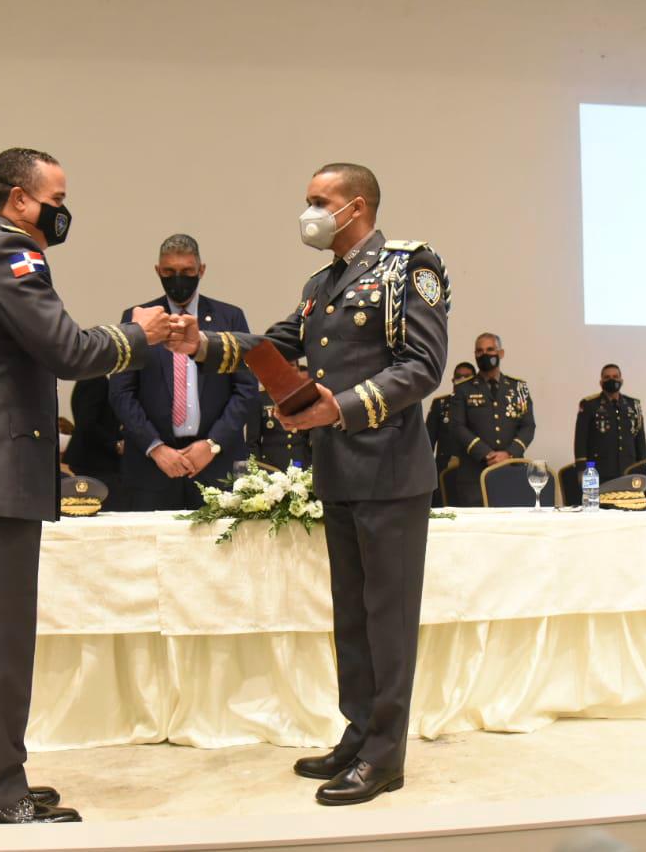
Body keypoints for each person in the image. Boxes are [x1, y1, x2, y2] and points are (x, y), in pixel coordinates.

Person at [169, 162, 449, 805]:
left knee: (389, 618)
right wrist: (202, 343)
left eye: (318, 201)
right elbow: (274, 345)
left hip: (390, 471)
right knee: (352, 616)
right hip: (340, 471)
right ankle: (358, 734)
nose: (309, 212)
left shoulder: (412, 267)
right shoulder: (323, 283)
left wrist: (341, 407)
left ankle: (386, 756)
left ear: (356, 206)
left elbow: (423, 367)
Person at [0, 147, 167, 825]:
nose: (63, 209)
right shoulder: (10, 254)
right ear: (21, 200)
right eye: (56, 197)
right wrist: (136, 333)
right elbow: (68, 350)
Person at [109, 234, 256, 510]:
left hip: (216, 463)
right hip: (152, 467)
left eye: (187, 272)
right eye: (169, 272)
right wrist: (156, 448)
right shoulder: (138, 318)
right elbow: (121, 393)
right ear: (158, 271)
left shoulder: (230, 317)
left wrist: (212, 444)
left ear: (201, 270)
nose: (179, 279)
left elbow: (246, 390)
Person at [445, 334, 535, 507]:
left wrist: (508, 454)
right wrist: (487, 454)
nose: (484, 354)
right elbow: (457, 427)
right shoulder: (463, 388)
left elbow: (528, 425)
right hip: (474, 476)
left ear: (501, 353)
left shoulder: (519, 388)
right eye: (479, 351)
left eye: (490, 349)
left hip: (512, 471)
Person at [574, 363, 646, 482]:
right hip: (597, 470)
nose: (612, 380)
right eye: (607, 377)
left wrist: (642, 467)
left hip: (628, 469)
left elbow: (640, 440)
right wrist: (582, 469)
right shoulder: (589, 405)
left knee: (629, 500)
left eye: (615, 376)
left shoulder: (633, 405)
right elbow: (580, 439)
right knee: (593, 501)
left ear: (621, 380)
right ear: (601, 382)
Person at [62, 377, 124, 509]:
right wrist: (115, 445)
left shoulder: (87, 379)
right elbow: (87, 424)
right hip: (96, 461)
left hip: (89, 459)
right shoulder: (96, 381)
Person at [245, 360, 313, 471]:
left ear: (298, 369)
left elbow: (314, 436)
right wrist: (257, 471)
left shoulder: (306, 397)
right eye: (282, 365)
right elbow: (253, 442)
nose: (287, 369)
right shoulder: (260, 398)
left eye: (291, 365)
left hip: (302, 467)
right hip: (271, 469)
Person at [425, 361, 475, 505]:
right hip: (444, 468)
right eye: (458, 377)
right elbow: (428, 441)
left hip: (472, 467)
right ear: (453, 381)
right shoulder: (440, 405)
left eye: (467, 377)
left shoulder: (480, 406)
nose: (462, 380)